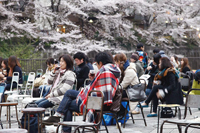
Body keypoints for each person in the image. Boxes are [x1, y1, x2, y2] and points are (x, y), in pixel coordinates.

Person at [43, 52, 120, 133]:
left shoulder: (104, 71)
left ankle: (61, 120)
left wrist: (85, 90)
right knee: (68, 99)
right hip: (101, 100)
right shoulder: (114, 70)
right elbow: (101, 87)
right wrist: (93, 79)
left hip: (96, 102)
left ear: (100, 63)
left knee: (68, 99)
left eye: (97, 64)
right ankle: (60, 117)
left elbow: (97, 90)